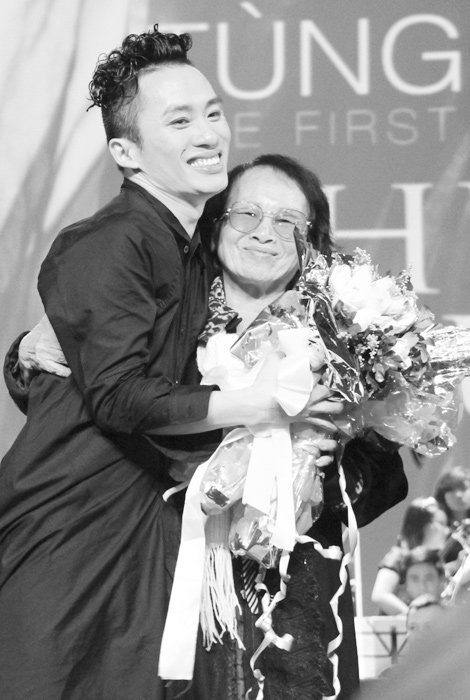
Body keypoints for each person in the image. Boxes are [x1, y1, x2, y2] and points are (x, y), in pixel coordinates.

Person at [0, 27, 345, 700]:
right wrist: (260, 403)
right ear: (126, 152)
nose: (209, 134)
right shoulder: (109, 243)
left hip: (145, 553)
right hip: (68, 543)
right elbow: (117, 397)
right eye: (179, 120)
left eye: (213, 112)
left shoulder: (191, 258)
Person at [6, 153, 408, 699]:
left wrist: (323, 478)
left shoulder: (341, 337)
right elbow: (104, 396)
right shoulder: (170, 311)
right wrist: (25, 356)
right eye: (247, 214)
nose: (265, 233)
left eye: (288, 221)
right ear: (215, 225)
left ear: (310, 240)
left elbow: (386, 476)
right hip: (163, 574)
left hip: (293, 597)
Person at [371, 497, 449, 615]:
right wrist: (414, 617)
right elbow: (380, 595)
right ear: (424, 525)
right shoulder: (398, 557)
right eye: (441, 523)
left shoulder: (434, 558)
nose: (446, 530)